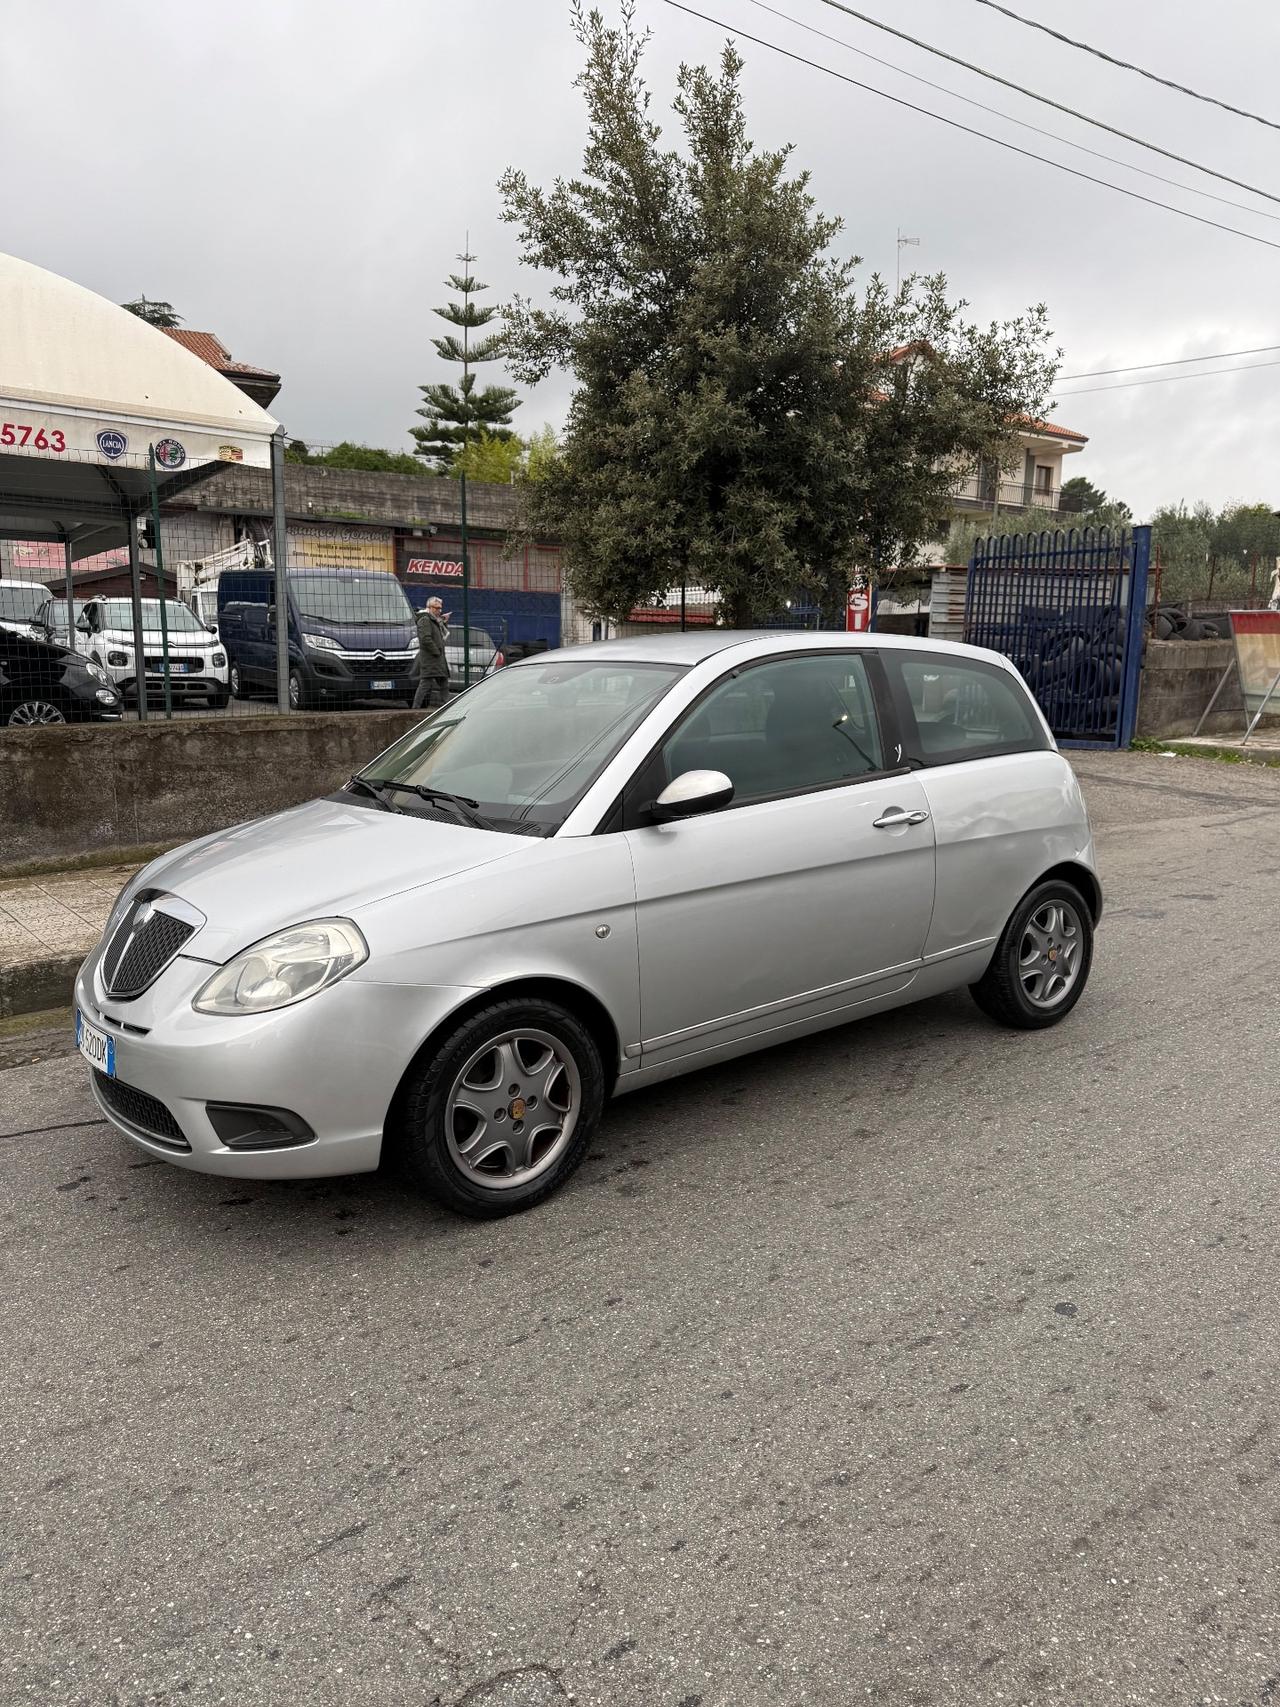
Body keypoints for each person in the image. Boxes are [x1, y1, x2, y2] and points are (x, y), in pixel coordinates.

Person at [413, 596, 450, 709]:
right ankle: (415, 708)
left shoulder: (434, 620)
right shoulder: (425, 619)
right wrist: (437, 652)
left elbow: (440, 636)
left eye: (440, 608)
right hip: (431, 659)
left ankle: (447, 707)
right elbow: (425, 639)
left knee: (443, 683)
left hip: (437, 659)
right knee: (425, 684)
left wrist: (444, 622)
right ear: (429, 607)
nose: (439, 610)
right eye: (437, 608)